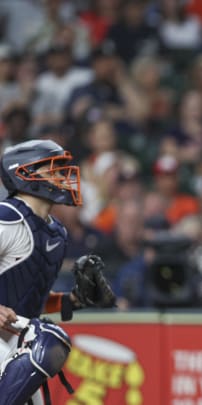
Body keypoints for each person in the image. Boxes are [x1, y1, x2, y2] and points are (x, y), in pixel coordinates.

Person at [0, 140, 116, 404]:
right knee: (50, 341)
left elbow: (26, 300)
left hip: (14, 342)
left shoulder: (55, 232)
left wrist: (73, 300)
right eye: (52, 169)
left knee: (46, 340)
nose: (63, 175)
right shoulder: (7, 218)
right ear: (25, 173)